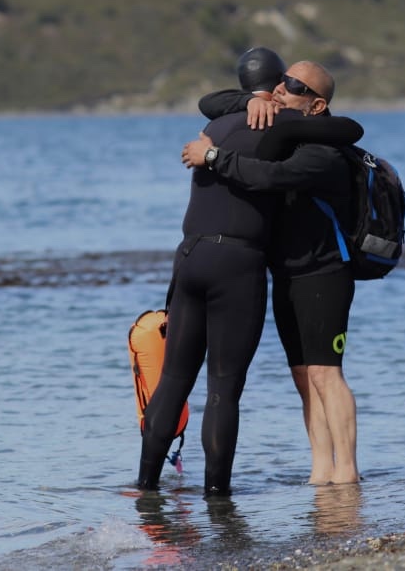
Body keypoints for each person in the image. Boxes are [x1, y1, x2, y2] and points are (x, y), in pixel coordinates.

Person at [138, 49, 361, 496]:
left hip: (292, 271)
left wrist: (216, 151)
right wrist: (251, 104)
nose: (283, 90)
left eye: (294, 86)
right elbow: (214, 102)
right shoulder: (277, 126)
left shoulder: (309, 146)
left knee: (320, 373)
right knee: (255, 383)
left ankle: (346, 472)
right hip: (258, 269)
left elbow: (274, 170)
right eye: (280, 83)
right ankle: (251, 488)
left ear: (315, 103)